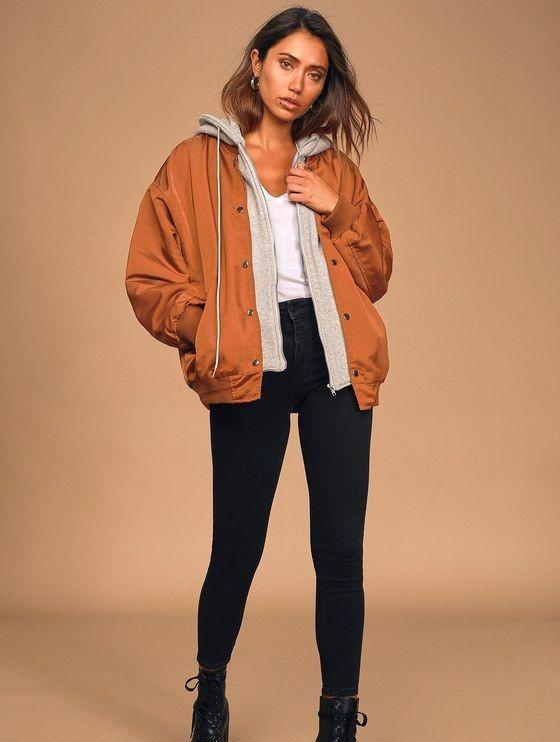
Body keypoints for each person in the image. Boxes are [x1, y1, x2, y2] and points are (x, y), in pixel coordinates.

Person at [125, 6, 393, 741]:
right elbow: (148, 277)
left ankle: (338, 717)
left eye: (315, 74)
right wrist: (209, 327)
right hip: (250, 358)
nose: (297, 84)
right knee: (238, 545)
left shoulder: (332, 168)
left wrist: (338, 210)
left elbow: (376, 275)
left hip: (333, 357)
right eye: (286, 63)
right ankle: (210, 688)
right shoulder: (194, 162)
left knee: (340, 551)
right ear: (256, 61)